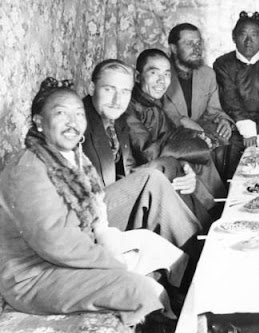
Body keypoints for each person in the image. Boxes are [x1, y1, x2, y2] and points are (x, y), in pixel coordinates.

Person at [0, 78, 187, 326]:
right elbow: (57, 243)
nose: (73, 122)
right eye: (60, 114)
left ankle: (186, 303)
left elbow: (93, 210)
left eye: (79, 114)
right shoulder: (28, 170)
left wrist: (108, 238)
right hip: (35, 276)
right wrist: (114, 263)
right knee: (137, 289)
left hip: (71, 251)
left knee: (161, 250)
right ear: (39, 122)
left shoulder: (69, 154)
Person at [82, 59, 202, 247]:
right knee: (153, 179)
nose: (117, 100)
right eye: (109, 89)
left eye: (124, 92)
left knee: (168, 174)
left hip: (111, 203)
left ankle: (192, 253)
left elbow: (129, 172)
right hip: (89, 218)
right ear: (92, 87)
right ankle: (196, 254)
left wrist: (182, 168)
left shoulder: (117, 120)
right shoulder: (79, 120)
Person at [126, 49, 227, 226]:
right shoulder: (129, 106)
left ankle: (219, 212)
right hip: (139, 173)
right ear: (137, 76)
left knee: (198, 156)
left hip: (160, 160)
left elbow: (170, 134)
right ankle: (212, 217)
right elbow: (147, 153)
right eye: (153, 72)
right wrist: (191, 146)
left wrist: (193, 142)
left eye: (166, 74)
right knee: (194, 155)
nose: (161, 81)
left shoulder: (153, 102)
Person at [213, 11, 259, 175]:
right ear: (234, 37)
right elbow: (229, 99)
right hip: (236, 124)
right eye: (243, 35)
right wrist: (247, 131)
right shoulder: (223, 64)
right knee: (232, 156)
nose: (249, 41)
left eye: (254, 35)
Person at [162, 23, 234, 177]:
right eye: (189, 43)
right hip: (169, 134)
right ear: (173, 48)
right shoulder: (161, 73)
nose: (196, 48)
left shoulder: (207, 74)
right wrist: (181, 120)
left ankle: (220, 194)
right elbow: (157, 111)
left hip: (198, 131)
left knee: (223, 136)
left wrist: (224, 121)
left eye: (198, 43)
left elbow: (214, 110)